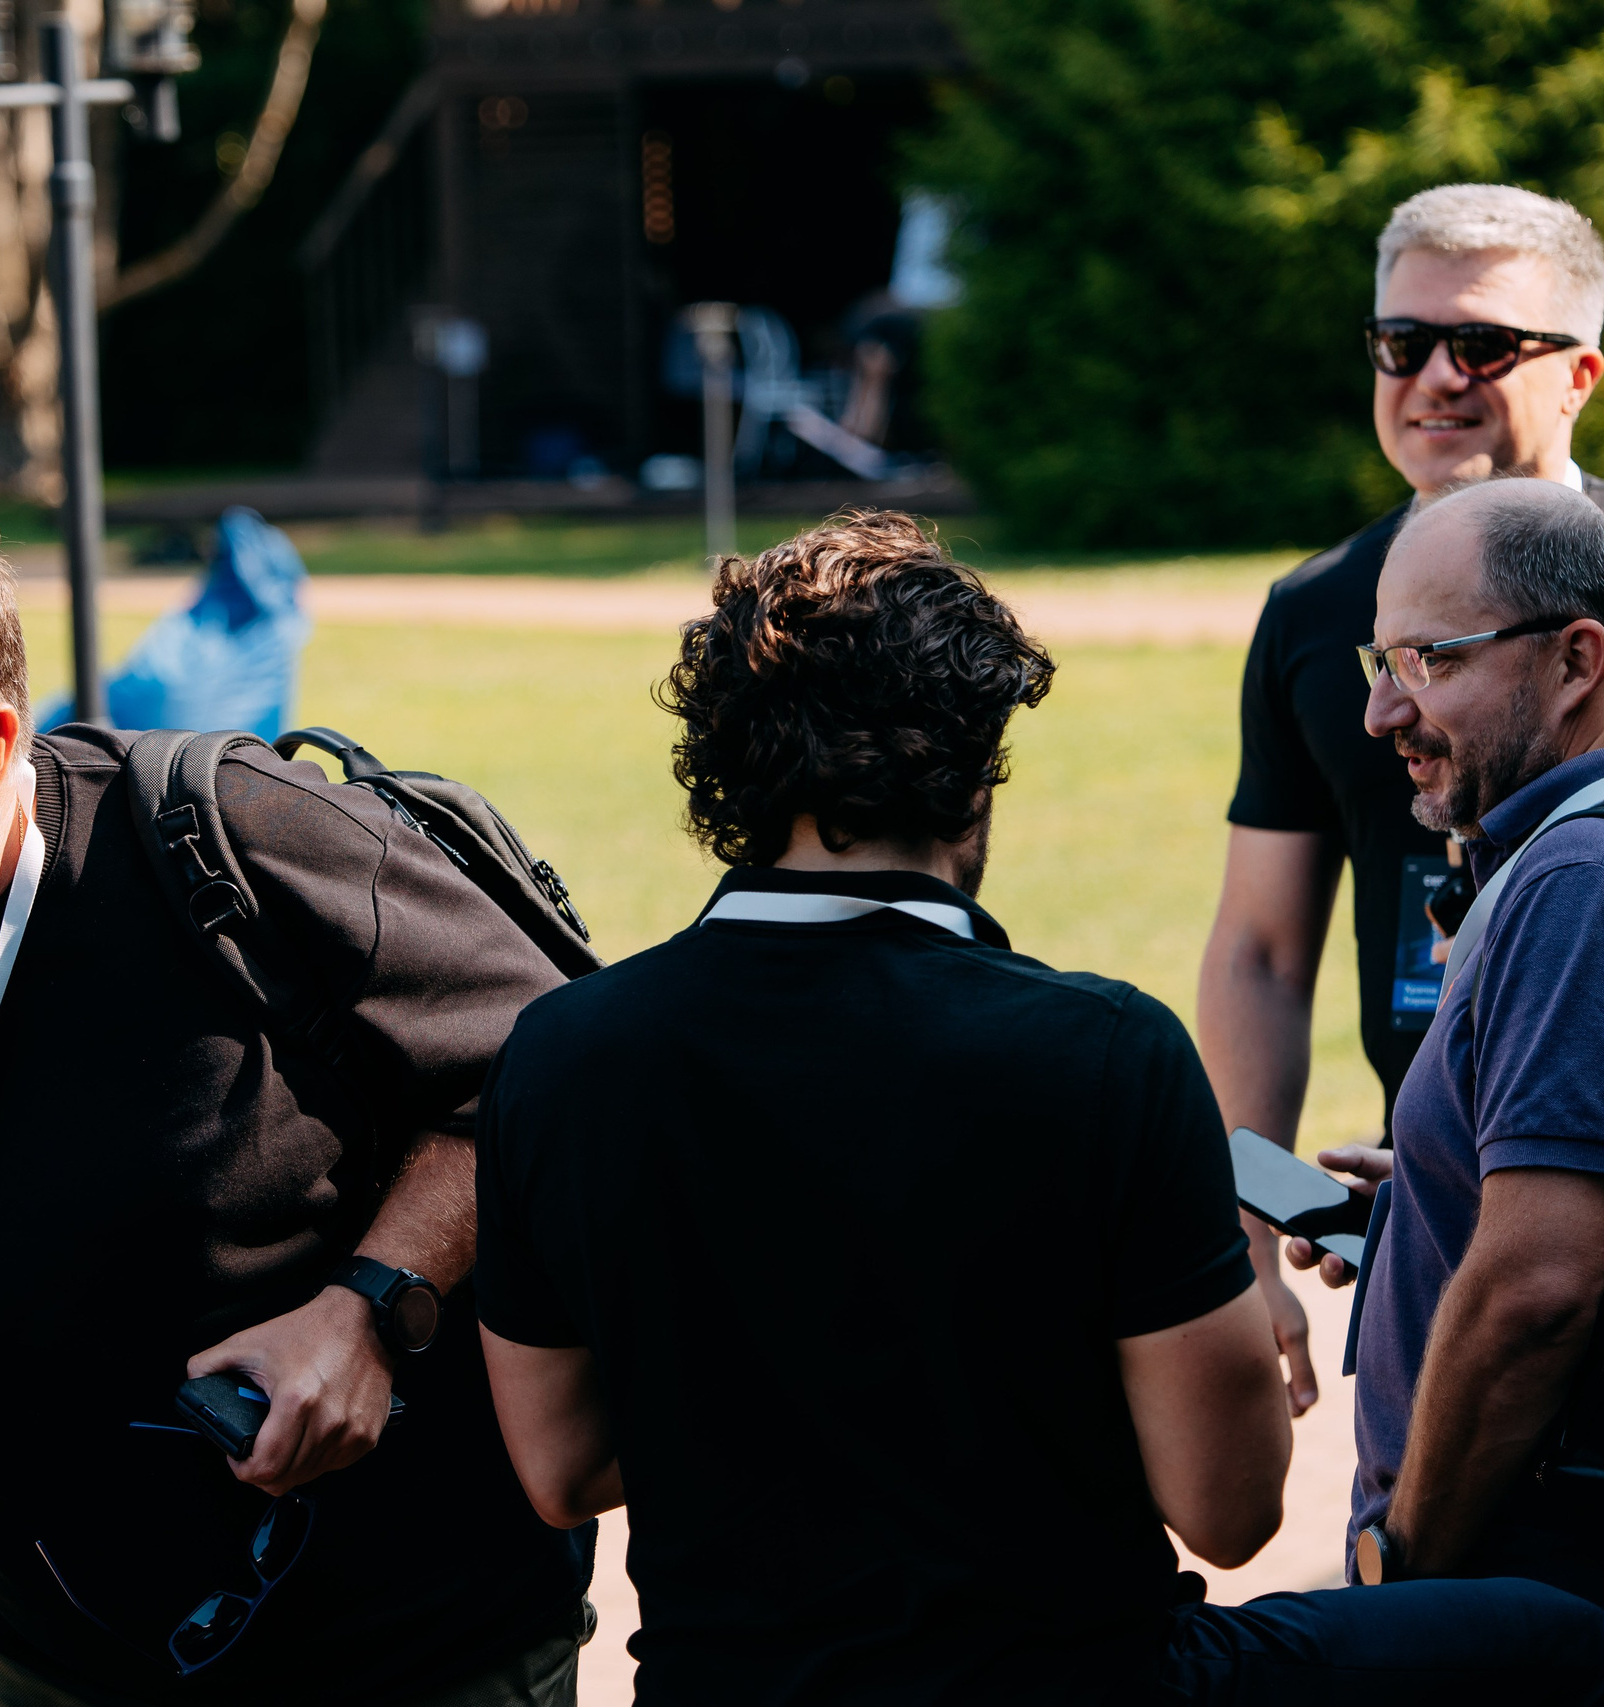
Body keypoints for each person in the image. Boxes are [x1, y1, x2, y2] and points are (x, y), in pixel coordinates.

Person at [475, 511, 1604, 1703]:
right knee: (1553, 1640)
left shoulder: (562, 1052)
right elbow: (1230, 1510)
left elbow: (561, 1467)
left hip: (723, 1679)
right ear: (973, 775)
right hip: (1074, 1676)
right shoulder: (1100, 1054)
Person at [0, 492, 591, 1706]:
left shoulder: (223, 839)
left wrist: (370, 1310)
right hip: (24, 1659)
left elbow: (556, 1070)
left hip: (407, 1654)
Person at [1201, 183, 1604, 1414]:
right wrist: (1253, 1233)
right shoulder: (1318, 615)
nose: (1434, 376)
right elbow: (1262, 950)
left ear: (1579, 372)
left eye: (1480, 344)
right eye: (1400, 342)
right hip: (1430, 1201)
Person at [1287, 475, 1604, 1603]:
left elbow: (1540, 1288)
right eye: (1378, 663)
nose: (1381, 715)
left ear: (1576, 661)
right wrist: (1435, 1194)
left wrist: (1401, 1555)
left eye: (1434, 661)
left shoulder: (1575, 880)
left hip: (1525, 1583)